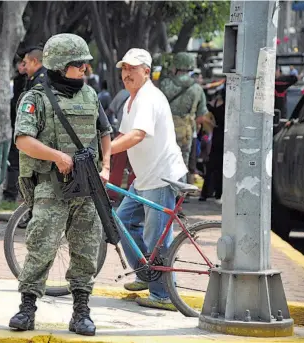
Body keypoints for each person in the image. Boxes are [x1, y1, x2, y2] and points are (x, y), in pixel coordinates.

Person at [9, 33, 112, 336]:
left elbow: (105, 132)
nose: (84, 68)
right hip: (52, 186)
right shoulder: (36, 98)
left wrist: (105, 166)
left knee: (85, 249)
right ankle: (27, 309)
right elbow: (23, 140)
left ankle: (81, 312)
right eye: (78, 63)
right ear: (60, 64)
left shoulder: (91, 96)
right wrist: (57, 157)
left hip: (86, 187)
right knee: (41, 246)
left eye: (85, 63)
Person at [110, 48, 187, 311]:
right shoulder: (132, 100)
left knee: (158, 237)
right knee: (122, 220)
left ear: (146, 71)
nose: (126, 73)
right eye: (124, 69)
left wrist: (105, 151)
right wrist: (105, 164)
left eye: (132, 68)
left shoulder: (148, 98)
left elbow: (136, 135)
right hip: (145, 177)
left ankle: (164, 294)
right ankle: (146, 274)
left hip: (161, 177)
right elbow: (122, 137)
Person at [159, 52, 208, 186]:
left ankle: (164, 190)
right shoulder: (197, 88)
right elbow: (202, 116)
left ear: (176, 66)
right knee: (183, 161)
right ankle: (180, 193)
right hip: (186, 130)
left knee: (164, 160)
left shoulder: (165, 84)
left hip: (164, 129)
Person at [3, 56, 27, 202]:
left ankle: (12, 193)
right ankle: (12, 192)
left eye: (24, 63)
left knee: (15, 162)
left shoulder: (28, 81)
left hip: (23, 129)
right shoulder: (21, 80)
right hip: (17, 127)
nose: (22, 66)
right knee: (14, 162)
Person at [199, 85, 226, 202]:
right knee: (221, 166)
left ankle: (205, 193)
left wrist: (212, 124)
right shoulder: (227, 106)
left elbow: (204, 116)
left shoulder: (212, 104)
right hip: (224, 136)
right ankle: (218, 193)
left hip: (214, 135)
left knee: (211, 165)